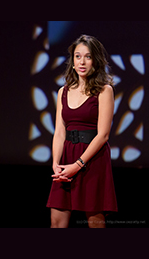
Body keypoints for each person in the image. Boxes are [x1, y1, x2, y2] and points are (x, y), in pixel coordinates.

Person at [46, 35, 118, 228]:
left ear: (95, 60)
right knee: (57, 221)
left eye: (87, 57)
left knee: (95, 221)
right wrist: (55, 163)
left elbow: (103, 135)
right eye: (77, 56)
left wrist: (77, 165)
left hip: (92, 159)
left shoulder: (104, 91)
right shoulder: (64, 91)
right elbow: (60, 131)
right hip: (66, 157)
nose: (82, 62)